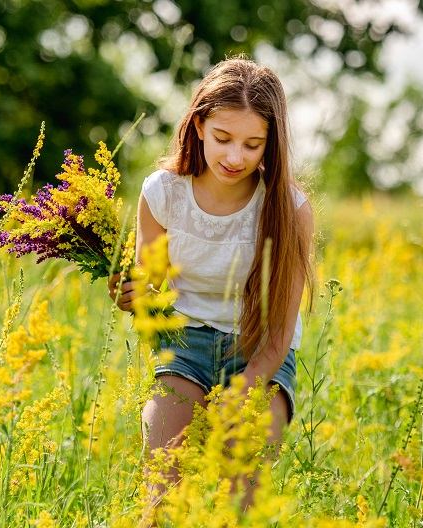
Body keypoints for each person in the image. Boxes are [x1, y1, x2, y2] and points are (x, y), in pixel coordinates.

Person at [107, 56, 314, 508]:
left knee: (240, 502)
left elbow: (281, 327)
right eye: (222, 138)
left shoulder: (289, 208)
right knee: (162, 495)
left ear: (270, 145)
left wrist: (248, 386)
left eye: (252, 144)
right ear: (198, 126)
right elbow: (152, 287)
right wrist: (133, 295)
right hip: (186, 348)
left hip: (261, 353)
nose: (235, 157)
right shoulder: (162, 192)